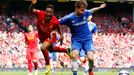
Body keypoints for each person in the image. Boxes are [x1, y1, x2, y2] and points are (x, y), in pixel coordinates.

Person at [59, 0, 106, 75]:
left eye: (84, 10)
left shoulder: (86, 13)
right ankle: (75, 73)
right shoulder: (69, 18)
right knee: (74, 56)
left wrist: (100, 7)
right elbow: (57, 22)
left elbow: (92, 10)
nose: (83, 11)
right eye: (81, 10)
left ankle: (90, 70)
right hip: (76, 40)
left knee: (91, 58)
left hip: (87, 39)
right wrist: (60, 34)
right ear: (76, 8)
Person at [28, 0, 71, 75]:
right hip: (42, 37)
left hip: (50, 36)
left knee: (43, 48)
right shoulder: (40, 14)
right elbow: (30, 10)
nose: (48, 14)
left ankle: (48, 66)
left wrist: (61, 36)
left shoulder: (55, 21)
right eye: (47, 12)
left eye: (50, 12)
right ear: (45, 11)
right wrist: (32, 4)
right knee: (51, 50)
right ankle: (66, 50)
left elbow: (59, 29)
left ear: (52, 13)